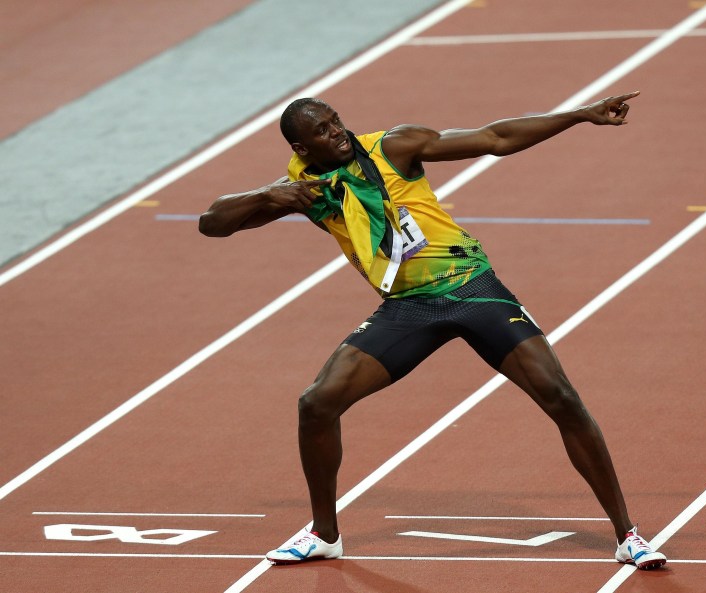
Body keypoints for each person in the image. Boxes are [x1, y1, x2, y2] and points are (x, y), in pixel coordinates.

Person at [198, 91, 666, 570]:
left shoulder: (394, 147)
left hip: (473, 288)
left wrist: (580, 116)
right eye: (322, 130)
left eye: (336, 120)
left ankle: (628, 535)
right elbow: (211, 224)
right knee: (317, 403)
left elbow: (495, 137)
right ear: (302, 148)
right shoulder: (304, 190)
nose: (337, 131)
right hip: (408, 307)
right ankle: (324, 534)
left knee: (561, 397)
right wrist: (264, 195)